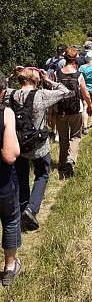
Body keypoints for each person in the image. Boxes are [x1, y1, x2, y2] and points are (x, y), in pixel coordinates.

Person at [6, 67, 74, 231]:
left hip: (19, 144)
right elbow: (66, 91)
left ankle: (23, 210)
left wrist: (13, 75)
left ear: (21, 80)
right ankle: (31, 210)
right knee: (42, 175)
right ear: (36, 81)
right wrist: (48, 80)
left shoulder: (12, 94)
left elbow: (3, 85)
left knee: (22, 179)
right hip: (39, 145)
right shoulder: (41, 95)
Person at [55, 46, 92, 178]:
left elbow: (53, 94)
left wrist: (50, 113)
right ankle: (70, 159)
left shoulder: (57, 74)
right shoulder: (78, 75)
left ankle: (61, 163)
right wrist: (89, 107)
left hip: (61, 111)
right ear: (76, 59)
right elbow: (86, 94)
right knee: (75, 136)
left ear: (64, 58)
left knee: (63, 138)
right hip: (76, 110)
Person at [0, 71, 21, 287]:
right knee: (10, 220)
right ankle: (9, 268)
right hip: (3, 182)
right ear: (3, 92)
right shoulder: (6, 113)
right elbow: (10, 154)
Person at [45, 44, 67, 141]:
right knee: (58, 111)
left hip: (47, 88)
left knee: (51, 111)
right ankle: (57, 134)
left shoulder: (49, 60)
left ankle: (53, 130)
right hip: (58, 88)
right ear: (64, 52)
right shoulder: (64, 62)